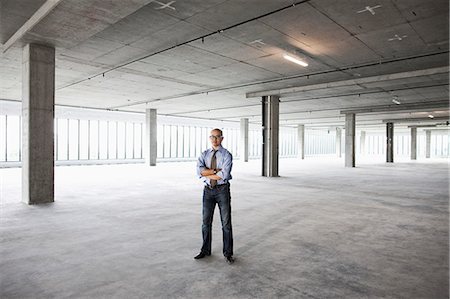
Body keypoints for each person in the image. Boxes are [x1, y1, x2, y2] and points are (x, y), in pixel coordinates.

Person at [195, 128, 234, 264]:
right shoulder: (204, 154)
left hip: (222, 190)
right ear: (210, 138)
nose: (215, 139)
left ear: (222, 138)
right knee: (206, 223)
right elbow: (199, 172)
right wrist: (214, 171)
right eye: (213, 137)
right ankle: (205, 250)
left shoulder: (227, 155)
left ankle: (228, 253)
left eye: (218, 137)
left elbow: (224, 175)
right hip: (208, 191)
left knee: (226, 223)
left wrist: (207, 173)